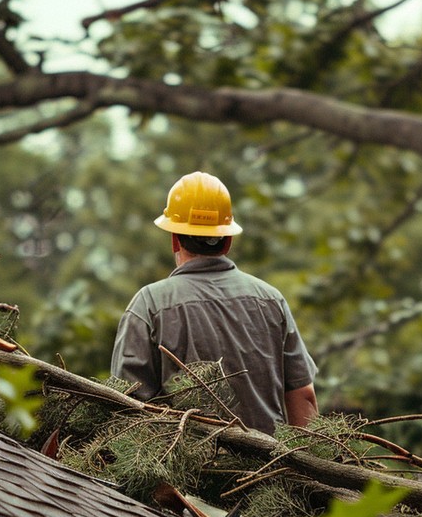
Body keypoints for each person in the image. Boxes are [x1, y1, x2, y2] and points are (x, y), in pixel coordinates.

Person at [110, 171, 319, 434]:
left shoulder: (149, 305)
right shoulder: (271, 300)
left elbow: (127, 407)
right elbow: (303, 396)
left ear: (175, 238)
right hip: (267, 471)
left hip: (182, 474)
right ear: (227, 240)